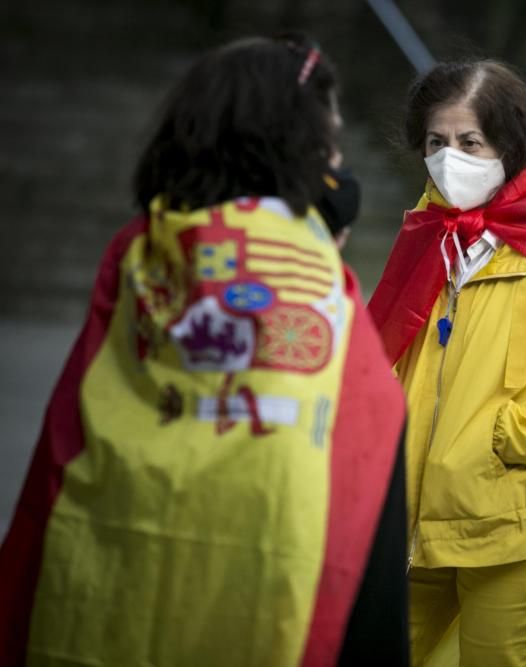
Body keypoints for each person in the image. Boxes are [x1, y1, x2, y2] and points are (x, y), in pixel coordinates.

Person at [0, 34, 408, 666]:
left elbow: (72, 421)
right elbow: (370, 427)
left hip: (115, 557)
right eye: (329, 138)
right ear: (301, 141)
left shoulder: (142, 251)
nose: (336, 156)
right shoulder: (311, 265)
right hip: (275, 570)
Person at [368, 59, 526, 666]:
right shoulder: (430, 232)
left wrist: (502, 436)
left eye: (469, 142)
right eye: (436, 142)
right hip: (408, 519)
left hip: (514, 528)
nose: (448, 157)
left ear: (508, 147)